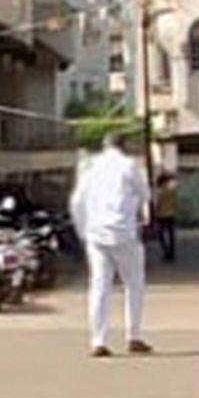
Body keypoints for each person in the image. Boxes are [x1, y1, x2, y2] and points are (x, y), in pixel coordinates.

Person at [70, 133, 152, 357]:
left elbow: (77, 201)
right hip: (124, 233)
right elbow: (145, 194)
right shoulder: (129, 166)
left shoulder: (91, 167)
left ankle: (98, 341)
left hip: (96, 235)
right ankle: (133, 336)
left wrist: (83, 230)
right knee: (133, 285)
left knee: (99, 287)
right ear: (123, 146)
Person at [152, 172, 179, 263]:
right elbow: (175, 203)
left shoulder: (159, 192)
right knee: (171, 235)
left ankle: (165, 251)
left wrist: (155, 216)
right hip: (171, 215)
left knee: (160, 235)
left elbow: (158, 205)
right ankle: (171, 253)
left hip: (161, 216)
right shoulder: (172, 191)